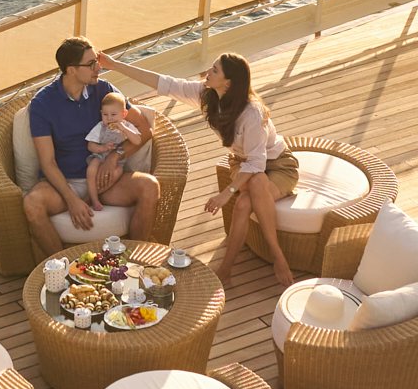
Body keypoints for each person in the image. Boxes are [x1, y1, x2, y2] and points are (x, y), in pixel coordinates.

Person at [93, 49, 297, 295]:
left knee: (245, 200)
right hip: (244, 166)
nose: (208, 73)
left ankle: (254, 262)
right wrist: (115, 65)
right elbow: (165, 83)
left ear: (228, 82)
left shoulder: (251, 113)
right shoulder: (208, 95)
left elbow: (257, 164)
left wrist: (226, 194)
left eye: (214, 70)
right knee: (252, 187)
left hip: (278, 165)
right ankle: (262, 262)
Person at [23, 39, 163, 256]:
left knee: (149, 186)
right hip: (64, 183)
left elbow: (144, 129)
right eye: (91, 64)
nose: (99, 67)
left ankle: (132, 265)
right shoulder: (43, 104)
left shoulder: (104, 90)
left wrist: (115, 157)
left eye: (97, 61)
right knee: (32, 204)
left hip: (106, 180)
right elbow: (47, 162)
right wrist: (72, 200)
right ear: (71, 70)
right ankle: (64, 272)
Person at [84, 88, 151, 209]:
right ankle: (93, 199)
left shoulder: (127, 126)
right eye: (105, 114)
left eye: (113, 115)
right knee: (91, 169)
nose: (109, 118)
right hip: (99, 156)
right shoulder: (100, 127)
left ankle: (98, 192)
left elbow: (137, 141)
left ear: (124, 114)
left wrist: (123, 128)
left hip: (118, 161)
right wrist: (102, 148)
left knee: (117, 172)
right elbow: (90, 145)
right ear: (101, 113)